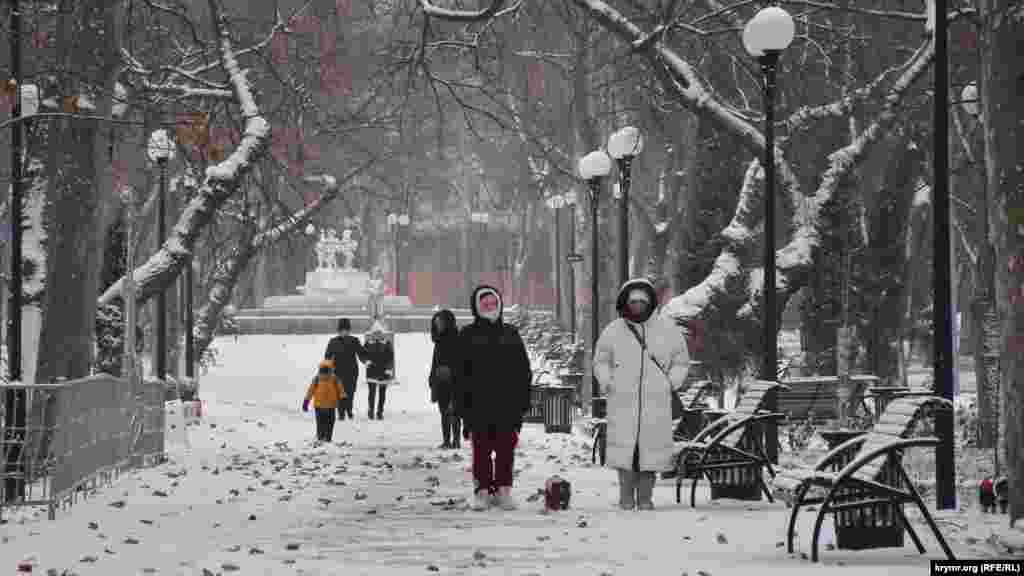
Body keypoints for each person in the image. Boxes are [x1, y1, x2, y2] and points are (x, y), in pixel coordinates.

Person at [593, 278, 689, 511]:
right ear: (625, 302)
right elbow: (601, 360)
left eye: (642, 301)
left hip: (656, 402)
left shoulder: (667, 329)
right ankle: (626, 497)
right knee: (626, 452)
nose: (637, 305)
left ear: (650, 303)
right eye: (633, 301)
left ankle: (646, 498)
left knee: (650, 454)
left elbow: (681, 361)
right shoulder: (613, 330)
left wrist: (670, 384)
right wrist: (608, 382)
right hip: (622, 400)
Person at [455, 285, 532, 511]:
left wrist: (522, 402)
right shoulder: (467, 335)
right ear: (477, 307)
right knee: (481, 452)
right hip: (477, 405)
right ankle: (482, 491)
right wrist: (462, 407)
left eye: (493, 304)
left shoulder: (511, 334)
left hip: (507, 406)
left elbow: (523, 371)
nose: (490, 308)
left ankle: (503, 490)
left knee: (506, 451)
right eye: (485, 304)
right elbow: (460, 375)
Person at [429, 308, 461, 449]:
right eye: (436, 323)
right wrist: (432, 377)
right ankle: (447, 440)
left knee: (453, 410)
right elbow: (435, 361)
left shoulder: (456, 338)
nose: (438, 325)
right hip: (441, 379)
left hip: (454, 379)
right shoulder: (439, 340)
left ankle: (455, 440)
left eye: (440, 322)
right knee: (444, 411)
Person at [324, 318, 367, 420]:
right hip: (338, 371)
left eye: (346, 330)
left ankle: (349, 409)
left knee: (350, 392)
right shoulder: (333, 342)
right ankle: (341, 412)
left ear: (349, 330)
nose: (344, 332)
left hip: (352, 371)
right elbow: (328, 356)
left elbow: (361, 353)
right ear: (339, 331)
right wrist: (327, 367)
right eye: (342, 330)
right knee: (339, 392)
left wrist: (366, 361)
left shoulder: (354, 340)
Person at [303, 359, 345, 442]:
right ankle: (327, 438)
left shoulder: (317, 379)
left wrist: (306, 401)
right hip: (330, 406)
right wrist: (343, 400)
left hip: (319, 406)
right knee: (330, 423)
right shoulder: (334, 379)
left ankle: (321, 437)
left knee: (320, 423)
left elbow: (310, 391)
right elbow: (341, 390)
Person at [362, 320, 395, 420]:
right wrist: (366, 361)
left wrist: (389, 369)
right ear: (372, 334)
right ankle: (371, 411)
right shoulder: (368, 343)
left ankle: (380, 412)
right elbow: (363, 354)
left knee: (382, 394)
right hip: (371, 371)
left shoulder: (387, 343)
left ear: (382, 333)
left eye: (379, 333)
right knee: (371, 393)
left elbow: (390, 357)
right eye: (375, 333)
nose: (377, 335)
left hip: (383, 371)